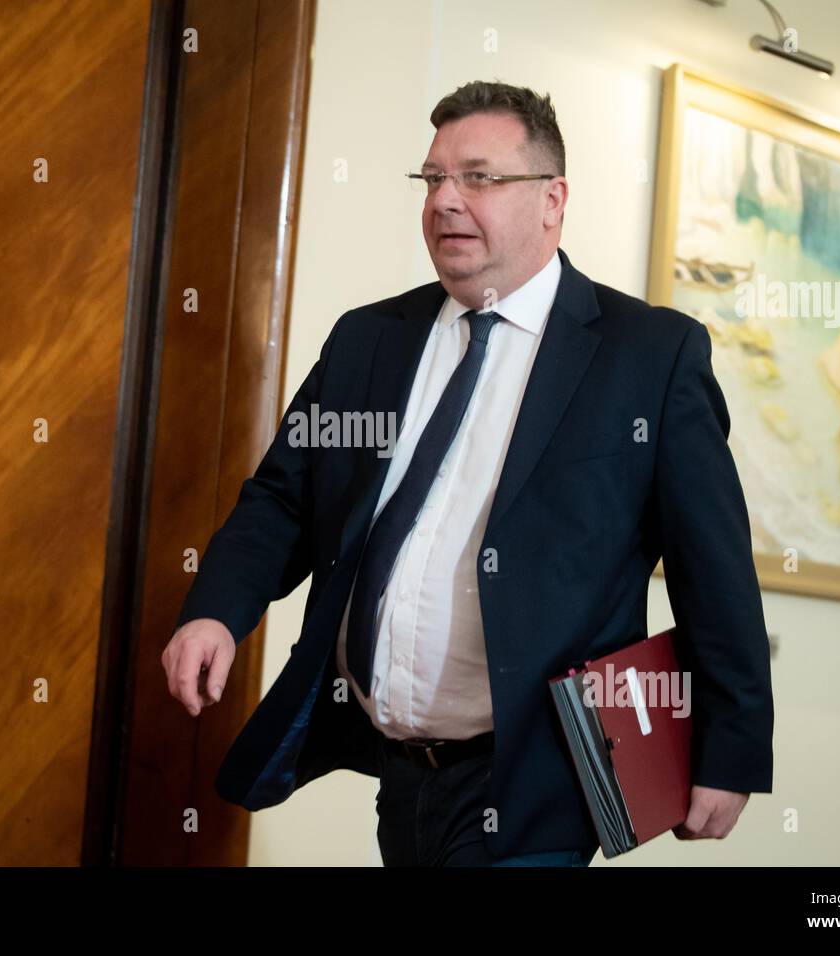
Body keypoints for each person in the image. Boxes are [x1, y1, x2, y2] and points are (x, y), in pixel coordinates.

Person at [161, 80, 774, 866]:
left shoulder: (649, 358)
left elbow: (712, 569)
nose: (446, 199)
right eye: (433, 178)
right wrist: (216, 610)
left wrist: (730, 748)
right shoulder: (368, 341)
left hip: (537, 779)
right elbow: (283, 499)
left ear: (553, 200)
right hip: (400, 772)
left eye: (479, 177)